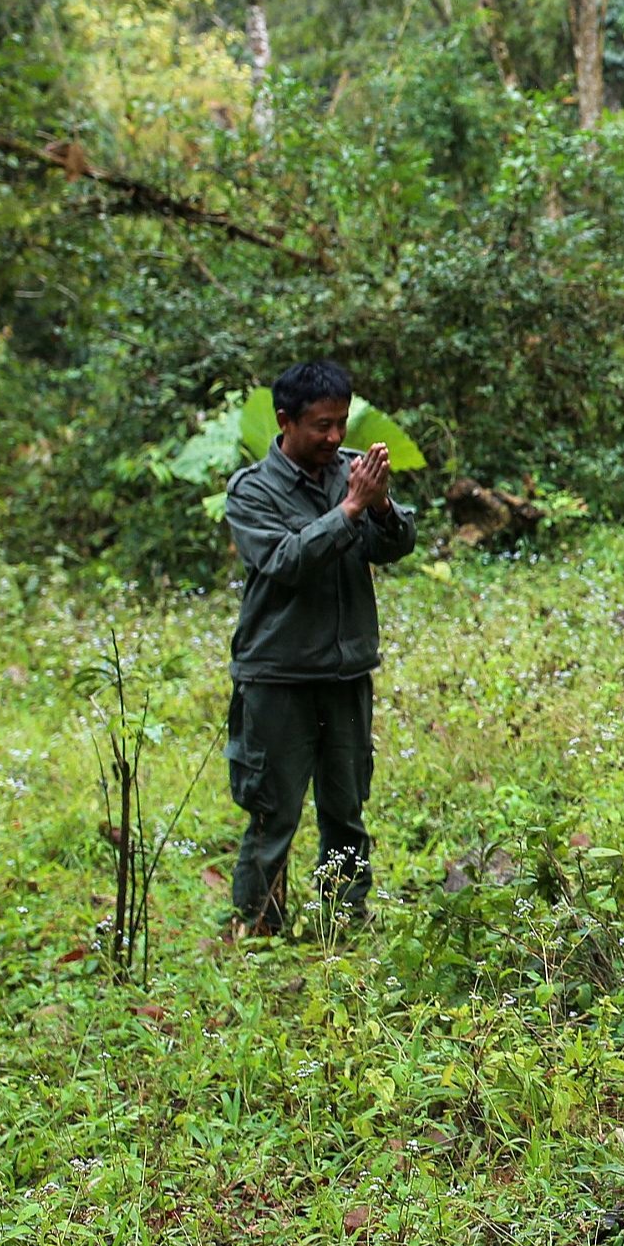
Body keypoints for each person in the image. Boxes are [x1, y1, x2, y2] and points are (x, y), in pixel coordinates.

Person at [222, 359, 417, 936]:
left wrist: (380, 506)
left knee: (345, 808)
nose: (335, 437)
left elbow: (396, 546)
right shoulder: (251, 491)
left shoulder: (353, 472)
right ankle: (259, 928)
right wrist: (351, 509)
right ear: (285, 421)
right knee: (271, 812)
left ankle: (344, 921)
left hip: (345, 673)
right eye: (321, 426)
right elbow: (283, 562)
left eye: (341, 423)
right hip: (277, 676)